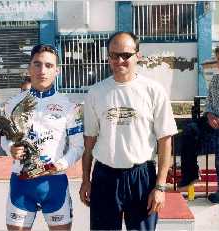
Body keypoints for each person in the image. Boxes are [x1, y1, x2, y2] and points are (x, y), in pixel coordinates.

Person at [79, 32, 178, 231]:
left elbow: (165, 141)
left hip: (142, 178)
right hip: (105, 177)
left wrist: (160, 186)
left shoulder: (153, 90)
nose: (120, 60)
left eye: (126, 55)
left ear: (137, 56)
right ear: (108, 57)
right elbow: (89, 141)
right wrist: (85, 180)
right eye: (114, 55)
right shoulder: (96, 92)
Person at [1, 44, 83, 231]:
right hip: (21, 183)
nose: (42, 70)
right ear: (29, 68)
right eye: (37, 64)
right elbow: (5, 139)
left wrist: (59, 165)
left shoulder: (70, 105)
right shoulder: (12, 104)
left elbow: (78, 147)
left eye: (48, 65)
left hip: (54, 182)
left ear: (57, 70)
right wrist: (10, 148)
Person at [178, 44, 219, 203]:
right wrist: (210, 115)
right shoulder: (216, 79)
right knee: (189, 130)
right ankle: (190, 176)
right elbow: (209, 101)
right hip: (212, 120)